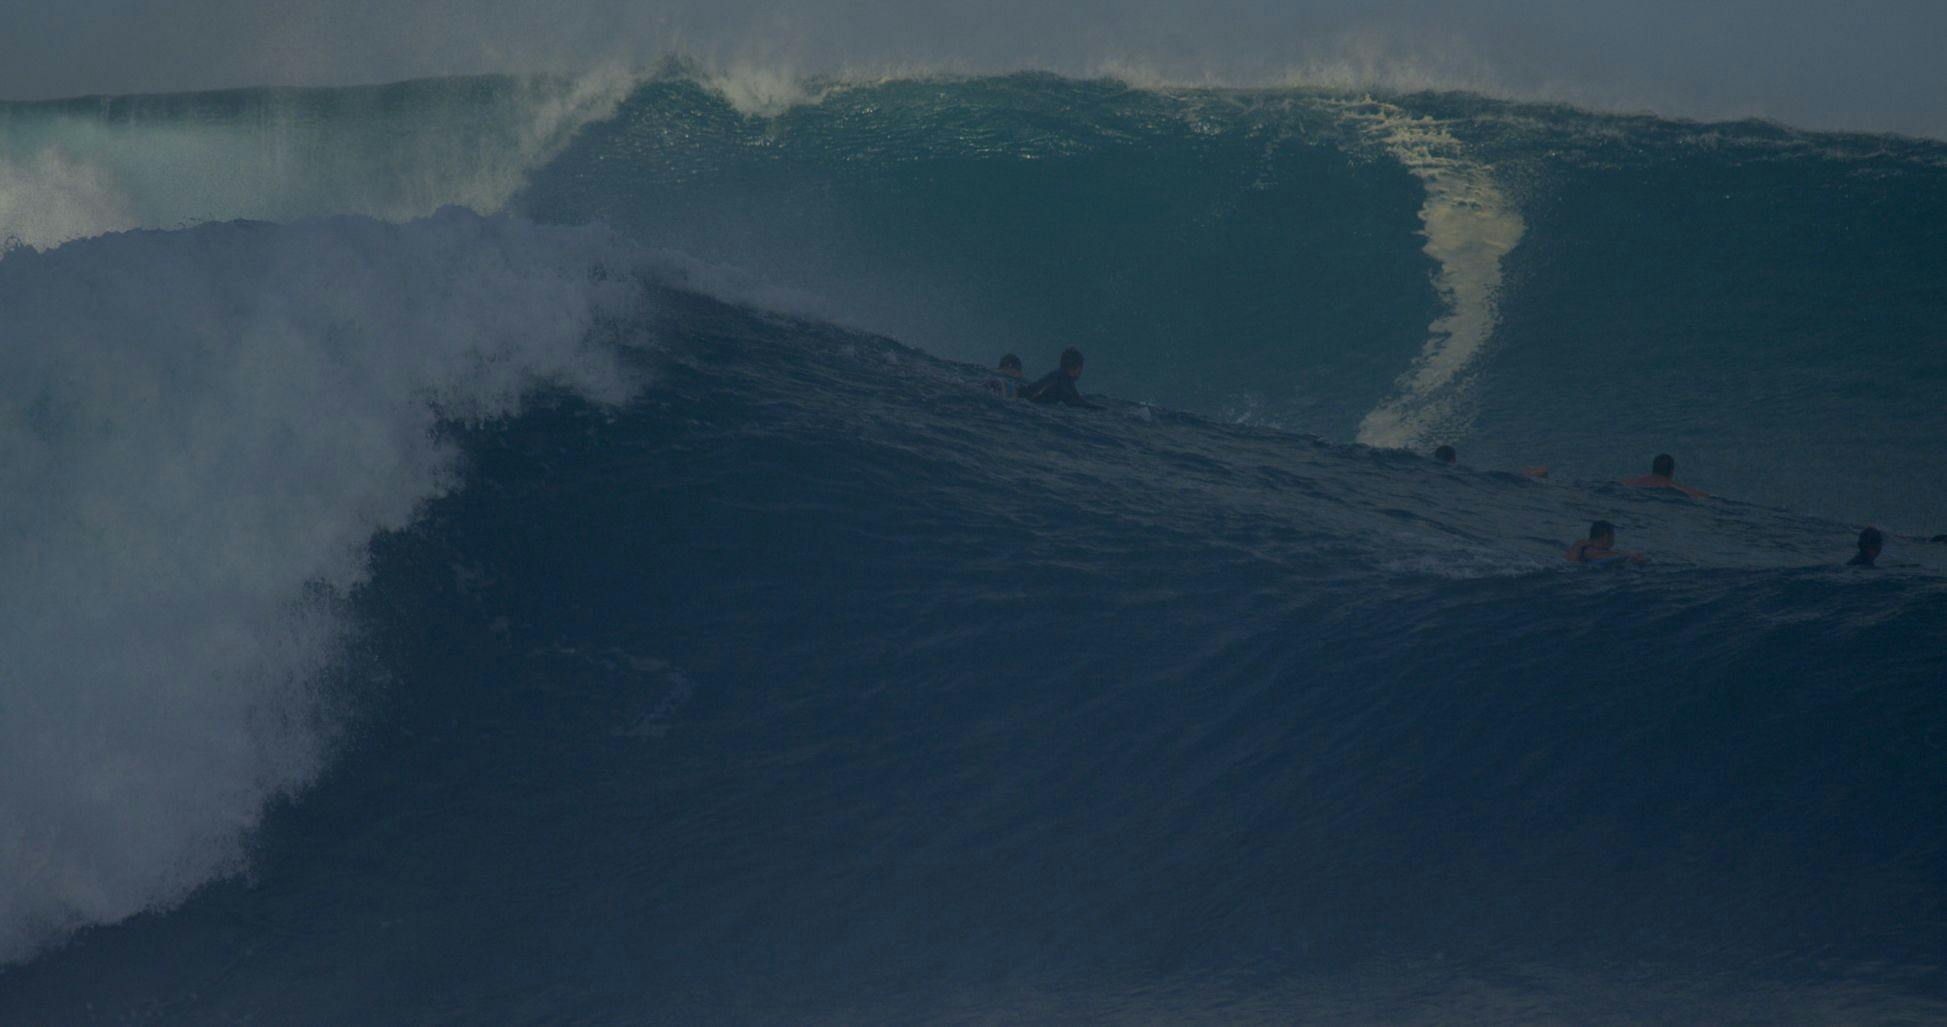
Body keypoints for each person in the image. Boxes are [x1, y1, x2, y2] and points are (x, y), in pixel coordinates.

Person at [1022, 347, 1101, 409]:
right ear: (1078, 367)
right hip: (1033, 405)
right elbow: (1076, 402)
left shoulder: (1054, 374)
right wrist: (1100, 409)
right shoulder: (1065, 382)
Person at [1622, 453, 1708, 498]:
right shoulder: (1677, 487)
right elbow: (1703, 496)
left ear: (1653, 468)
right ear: (1672, 472)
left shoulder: (1629, 482)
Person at [1565, 520, 1646, 564]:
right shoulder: (1589, 549)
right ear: (1606, 537)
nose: (1613, 540)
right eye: (1613, 536)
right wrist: (1626, 555)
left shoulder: (1581, 545)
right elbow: (1595, 556)